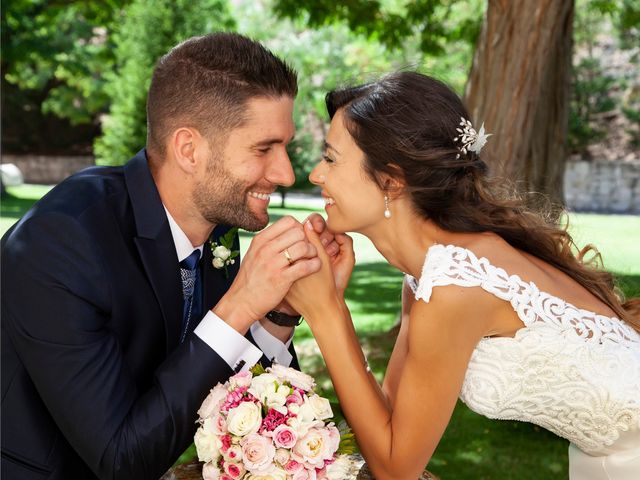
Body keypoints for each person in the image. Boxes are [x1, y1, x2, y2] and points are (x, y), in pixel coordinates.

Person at [1, 32, 338, 480]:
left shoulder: (218, 228)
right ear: (188, 149)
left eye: (285, 145)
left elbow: (242, 413)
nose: (286, 172)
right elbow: (121, 460)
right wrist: (238, 305)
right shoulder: (62, 243)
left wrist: (278, 309)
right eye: (264, 148)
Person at [285, 71, 640, 480]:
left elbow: (396, 469)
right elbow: (386, 426)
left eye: (330, 158)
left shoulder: (457, 283)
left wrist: (327, 313)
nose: (315, 174)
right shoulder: (433, 275)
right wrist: (331, 300)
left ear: (391, 180)